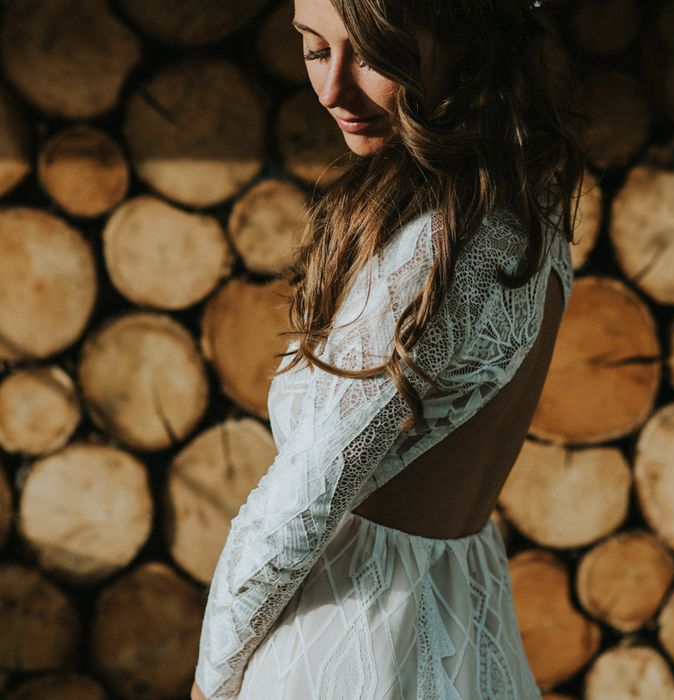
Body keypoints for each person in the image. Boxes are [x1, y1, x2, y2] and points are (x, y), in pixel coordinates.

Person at [193, 0, 585, 697]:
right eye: (315, 50)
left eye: (371, 54)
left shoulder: (435, 244)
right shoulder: (533, 214)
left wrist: (211, 680)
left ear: (464, 38)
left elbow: (304, 499)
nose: (332, 89)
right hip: (464, 624)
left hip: (348, 648)